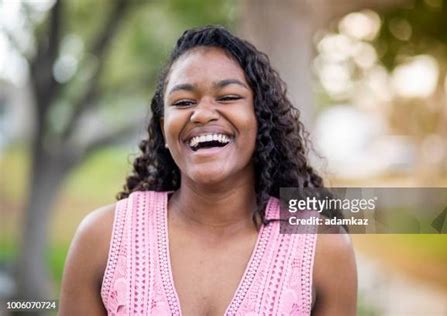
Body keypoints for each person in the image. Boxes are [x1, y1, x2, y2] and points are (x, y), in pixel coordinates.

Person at [59, 26, 357, 315]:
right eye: (183, 102)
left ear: (261, 117)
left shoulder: (322, 246)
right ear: (163, 128)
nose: (201, 114)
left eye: (228, 97)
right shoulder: (102, 239)